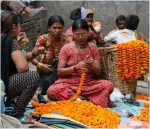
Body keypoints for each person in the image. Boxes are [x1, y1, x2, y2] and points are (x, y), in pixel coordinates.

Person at [47, 19, 114, 108]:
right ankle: (82, 98)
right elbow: (59, 72)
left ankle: (79, 99)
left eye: (83, 34)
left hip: (89, 84)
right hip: (69, 84)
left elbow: (98, 72)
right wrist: (75, 67)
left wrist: (91, 65)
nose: (80, 37)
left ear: (88, 32)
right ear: (73, 34)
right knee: (52, 90)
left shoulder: (93, 48)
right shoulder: (66, 48)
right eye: (77, 34)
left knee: (109, 85)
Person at [1, 10, 41, 119]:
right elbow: (23, 67)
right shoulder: (10, 41)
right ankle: (17, 112)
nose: (20, 28)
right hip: (1, 88)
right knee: (33, 77)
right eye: (20, 25)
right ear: (14, 27)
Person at [32, 15, 69, 95]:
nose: (57, 30)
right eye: (54, 28)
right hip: (45, 70)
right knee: (47, 85)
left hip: (59, 69)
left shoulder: (65, 38)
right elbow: (31, 57)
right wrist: (40, 65)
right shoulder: (43, 39)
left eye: (60, 28)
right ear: (49, 28)